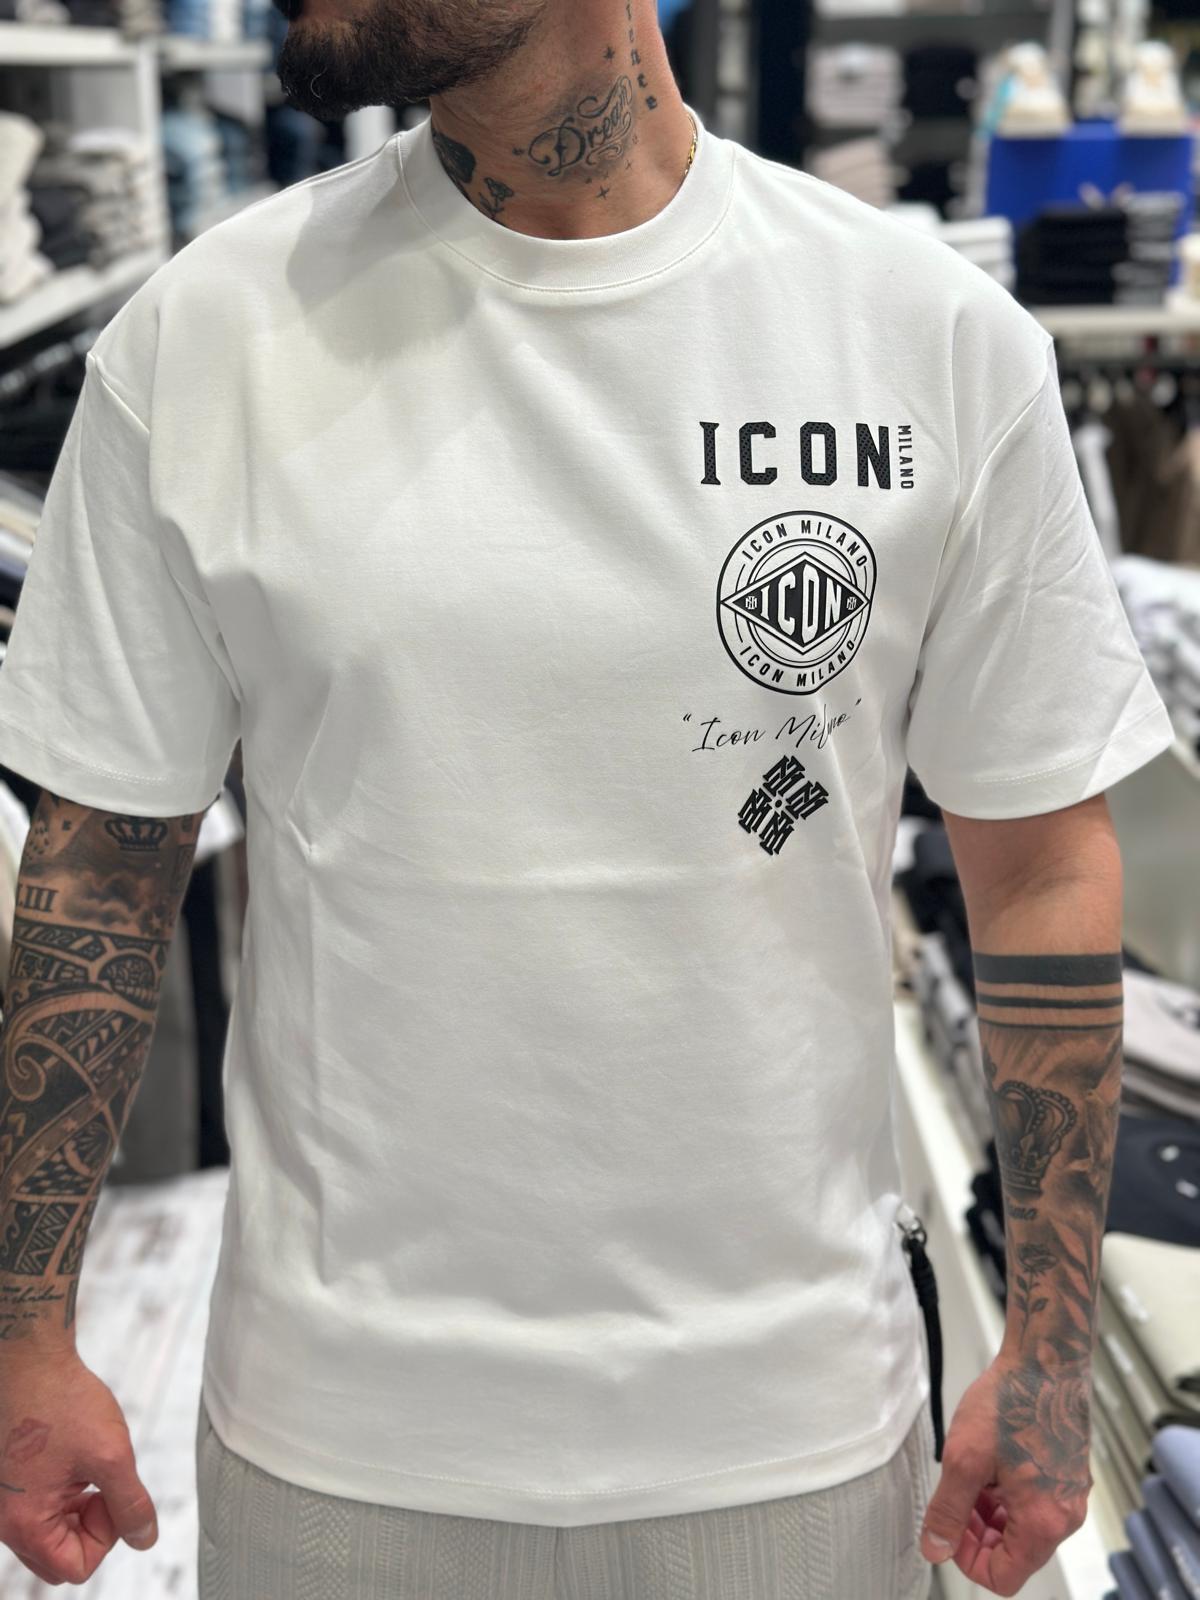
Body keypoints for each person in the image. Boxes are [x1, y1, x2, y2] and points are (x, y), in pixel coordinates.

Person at [0, 1, 1176, 1596]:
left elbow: (1036, 863)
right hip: (343, 1441)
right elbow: (99, 865)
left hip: (793, 1433)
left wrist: (1049, 1351)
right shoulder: (205, 339)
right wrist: (26, 1327)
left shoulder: (927, 338)